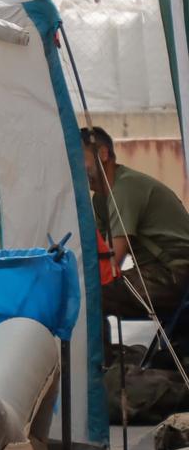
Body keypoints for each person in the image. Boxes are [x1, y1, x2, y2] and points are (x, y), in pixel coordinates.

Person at [84, 126, 189, 320]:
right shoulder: (100, 199)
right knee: (89, 290)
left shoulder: (125, 188)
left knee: (91, 296)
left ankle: (106, 352)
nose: (76, 168)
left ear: (103, 154)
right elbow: (98, 254)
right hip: (157, 271)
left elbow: (112, 261)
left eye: (80, 159)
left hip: (175, 271)